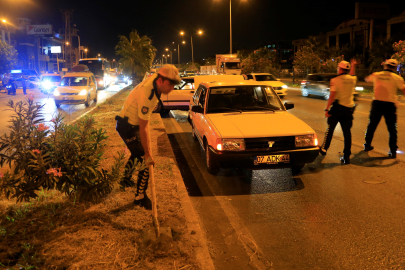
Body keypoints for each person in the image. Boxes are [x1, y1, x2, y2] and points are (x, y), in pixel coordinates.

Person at [115, 64, 180, 208]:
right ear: (160, 81)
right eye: (171, 84)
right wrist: (148, 153)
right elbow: (144, 127)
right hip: (127, 126)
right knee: (145, 159)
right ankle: (140, 197)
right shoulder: (148, 94)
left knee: (137, 153)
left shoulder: (155, 82)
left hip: (132, 123)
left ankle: (125, 179)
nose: (172, 88)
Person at [363, 59, 405, 158]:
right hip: (390, 105)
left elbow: (367, 79)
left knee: (372, 126)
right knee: (392, 129)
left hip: (377, 104)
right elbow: (404, 89)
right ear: (395, 68)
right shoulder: (397, 78)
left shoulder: (377, 74)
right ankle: (393, 151)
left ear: (385, 66)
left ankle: (367, 145)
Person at [319, 59, 358, 164]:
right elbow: (352, 75)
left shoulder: (334, 80)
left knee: (330, 129)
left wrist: (327, 109)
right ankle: (346, 157)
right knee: (347, 134)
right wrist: (353, 66)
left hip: (337, 109)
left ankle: (324, 148)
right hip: (348, 110)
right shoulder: (352, 79)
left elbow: (332, 96)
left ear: (340, 69)